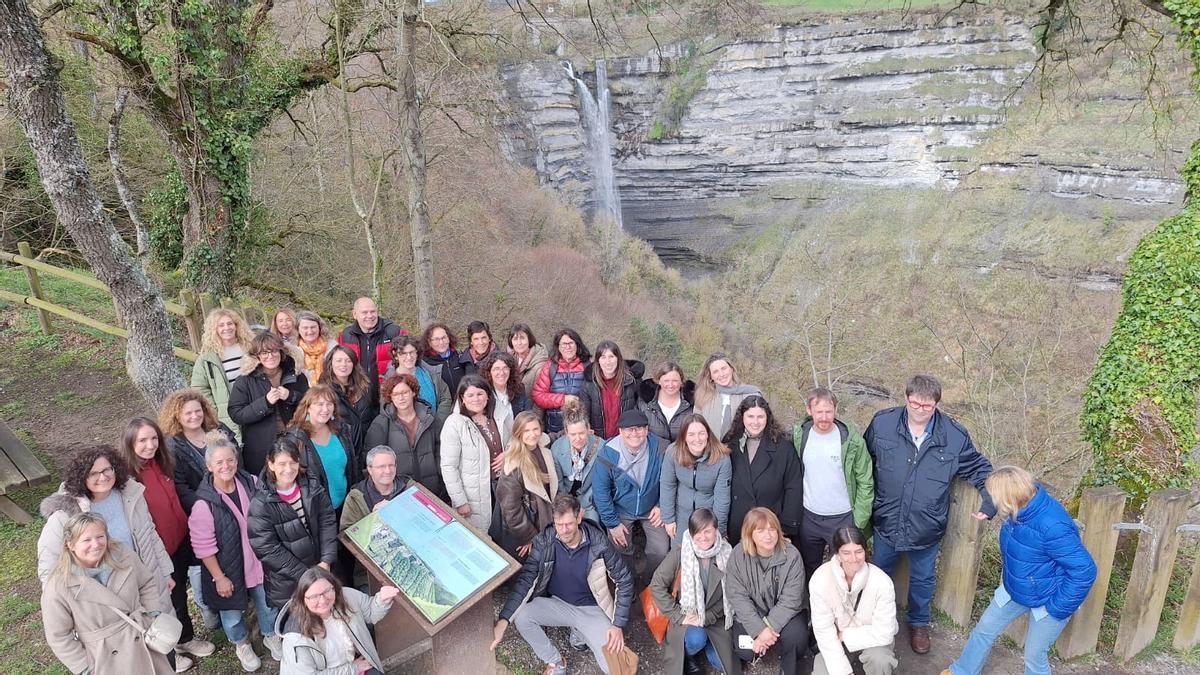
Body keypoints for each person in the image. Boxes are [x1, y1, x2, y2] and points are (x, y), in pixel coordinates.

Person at [865, 374, 996, 655]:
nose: (919, 410)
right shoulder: (882, 424)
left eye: (927, 406)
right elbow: (864, 462)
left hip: (927, 526)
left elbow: (979, 470)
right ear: (906, 398)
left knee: (923, 579)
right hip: (887, 520)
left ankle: (919, 623)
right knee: (878, 575)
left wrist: (990, 502)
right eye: (914, 403)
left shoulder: (954, 436)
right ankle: (876, 622)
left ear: (936, 404)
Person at [942, 467, 1096, 675]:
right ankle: (962, 671)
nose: (993, 501)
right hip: (1016, 587)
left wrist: (1056, 608)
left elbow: (1084, 571)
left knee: (1034, 656)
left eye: (996, 497)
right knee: (983, 630)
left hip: (1048, 595)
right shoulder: (1020, 510)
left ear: (1009, 499)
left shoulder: (1052, 525)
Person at [490, 494, 634, 675]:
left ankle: (580, 632)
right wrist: (504, 620)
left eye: (569, 524)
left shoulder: (599, 543)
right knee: (523, 617)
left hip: (590, 610)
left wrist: (617, 624)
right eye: (559, 525)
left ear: (579, 517)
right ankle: (555, 662)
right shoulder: (545, 541)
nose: (564, 530)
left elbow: (624, 580)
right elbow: (526, 581)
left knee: (617, 667)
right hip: (558, 603)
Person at [120, 417, 217, 671]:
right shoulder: (126, 478)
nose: (150, 445)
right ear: (130, 442)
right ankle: (174, 644)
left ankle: (184, 638)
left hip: (182, 536)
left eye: (154, 438)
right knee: (169, 599)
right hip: (159, 548)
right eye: (142, 440)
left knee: (183, 591)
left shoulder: (162, 463)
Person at [41, 512, 174, 675]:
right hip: (105, 659)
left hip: (143, 639)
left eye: (100, 536)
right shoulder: (59, 585)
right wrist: (84, 667)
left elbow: (146, 583)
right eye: (86, 540)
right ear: (71, 545)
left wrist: (152, 614)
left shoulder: (123, 555)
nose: (96, 544)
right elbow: (59, 636)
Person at [187, 434, 275, 671]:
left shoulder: (253, 483)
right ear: (209, 466)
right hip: (228, 569)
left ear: (237, 461)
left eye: (230, 460)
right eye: (219, 463)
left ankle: (270, 634)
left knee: (267, 603)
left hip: (257, 562)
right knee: (232, 614)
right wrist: (219, 577)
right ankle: (241, 643)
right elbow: (203, 547)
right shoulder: (203, 504)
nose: (226, 466)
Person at [37, 446, 173, 596]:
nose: (103, 477)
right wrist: (61, 602)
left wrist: (165, 573)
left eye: (107, 469)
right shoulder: (65, 514)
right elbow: (49, 563)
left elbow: (150, 535)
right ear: (81, 477)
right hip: (105, 595)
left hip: (147, 582)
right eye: (93, 473)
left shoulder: (131, 495)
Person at [247, 437, 339, 619]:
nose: (288, 469)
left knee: (328, 619)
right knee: (300, 626)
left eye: (292, 462)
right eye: (281, 464)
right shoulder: (261, 503)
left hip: (321, 567)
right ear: (271, 465)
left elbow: (327, 520)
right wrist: (307, 576)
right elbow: (267, 548)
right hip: (288, 582)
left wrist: (326, 560)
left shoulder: (312, 486)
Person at [793, 387, 875, 582]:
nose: (824, 417)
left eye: (828, 411)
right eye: (819, 412)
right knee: (810, 567)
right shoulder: (800, 436)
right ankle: (815, 607)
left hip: (843, 517)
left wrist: (859, 520)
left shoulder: (851, 440)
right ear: (809, 410)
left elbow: (865, 480)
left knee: (844, 568)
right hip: (809, 516)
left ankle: (846, 608)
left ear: (836, 410)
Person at [649, 508, 742, 675]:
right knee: (696, 639)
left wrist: (709, 617)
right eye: (697, 532)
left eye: (707, 531)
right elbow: (657, 585)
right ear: (691, 534)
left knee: (721, 664)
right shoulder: (680, 553)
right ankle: (688, 656)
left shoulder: (727, 553)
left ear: (716, 530)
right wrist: (679, 616)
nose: (703, 537)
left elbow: (732, 592)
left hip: (716, 617)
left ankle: (707, 644)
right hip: (688, 615)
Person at [725, 507, 808, 675]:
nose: (768, 536)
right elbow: (737, 596)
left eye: (772, 529)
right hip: (754, 611)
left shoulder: (792, 555)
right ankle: (764, 645)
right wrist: (759, 629)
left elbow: (791, 599)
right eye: (761, 530)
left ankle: (786, 666)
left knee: (796, 640)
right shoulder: (738, 555)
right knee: (744, 650)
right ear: (750, 534)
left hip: (786, 612)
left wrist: (767, 627)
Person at [591, 408, 669, 584]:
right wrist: (612, 523)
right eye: (629, 429)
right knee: (620, 546)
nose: (634, 433)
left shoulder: (661, 449)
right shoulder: (608, 454)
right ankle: (627, 583)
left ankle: (651, 583)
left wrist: (662, 505)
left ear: (647, 430)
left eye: (639, 428)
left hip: (652, 508)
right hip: (622, 508)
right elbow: (601, 491)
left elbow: (670, 481)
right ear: (620, 431)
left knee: (660, 550)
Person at [276, 566, 400, 674]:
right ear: (303, 599)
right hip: (350, 668)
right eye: (314, 597)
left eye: (326, 591)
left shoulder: (347, 596)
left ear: (334, 587)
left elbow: (371, 613)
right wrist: (354, 668)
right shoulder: (295, 638)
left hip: (355, 665)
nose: (323, 600)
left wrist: (383, 600)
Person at [810, 526, 898, 675]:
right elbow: (823, 630)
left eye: (858, 551)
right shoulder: (820, 579)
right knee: (822, 671)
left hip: (874, 640)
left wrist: (846, 635)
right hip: (837, 639)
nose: (854, 558)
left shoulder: (882, 582)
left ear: (865, 551)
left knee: (880, 660)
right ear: (837, 554)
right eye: (846, 553)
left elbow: (885, 632)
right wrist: (843, 672)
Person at [722, 395, 803, 541]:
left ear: (768, 417)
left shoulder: (783, 447)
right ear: (742, 417)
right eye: (750, 416)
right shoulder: (730, 444)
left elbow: (794, 487)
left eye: (760, 416)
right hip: (738, 525)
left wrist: (786, 527)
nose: (755, 422)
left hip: (771, 526)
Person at [440, 375, 512, 532]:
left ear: (487, 395)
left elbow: (515, 439)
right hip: (474, 495)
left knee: (504, 536)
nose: (476, 399)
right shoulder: (455, 423)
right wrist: (460, 501)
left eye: (480, 394)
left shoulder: (499, 415)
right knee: (480, 537)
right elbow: (448, 466)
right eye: (470, 395)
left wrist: (509, 453)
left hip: (503, 486)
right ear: (462, 399)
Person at [339, 445, 412, 588]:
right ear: (370, 470)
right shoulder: (356, 496)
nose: (388, 471)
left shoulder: (409, 487)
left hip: (410, 568)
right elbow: (346, 537)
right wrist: (374, 519)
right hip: (370, 574)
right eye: (381, 467)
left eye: (391, 465)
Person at [365, 373, 445, 500]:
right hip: (398, 493)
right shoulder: (381, 423)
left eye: (405, 392)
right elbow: (371, 460)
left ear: (413, 393)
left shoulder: (429, 419)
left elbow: (441, 452)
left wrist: (441, 480)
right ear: (390, 397)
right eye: (396, 394)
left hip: (432, 491)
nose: (401, 398)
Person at [159, 387, 239, 513]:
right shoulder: (172, 447)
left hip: (236, 493)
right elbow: (181, 487)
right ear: (177, 416)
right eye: (188, 413)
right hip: (206, 506)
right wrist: (207, 507)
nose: (195, 416)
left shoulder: (220, 429)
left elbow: (238, 461)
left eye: (198, 411)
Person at [284, 385, 359, 512]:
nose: (325, 409)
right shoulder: (295, 438)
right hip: (317, 511)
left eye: (329, 404)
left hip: (346, 505)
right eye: (319, 404)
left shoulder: (342, 431)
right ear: (308, 407)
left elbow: (352, 466)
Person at [661, 413, 732, 545]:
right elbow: (667, 485)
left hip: (708, 517)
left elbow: (722, 499)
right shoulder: (673, 452)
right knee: (681, 556)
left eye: (701, 433)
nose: (697, 439)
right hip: (682, 514)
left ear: (708, 435)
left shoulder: (722, 458)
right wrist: (668, 519)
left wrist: (719, 530)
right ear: (684, 437)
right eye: (691, 434)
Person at [496, 411, 558, 559]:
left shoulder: (542, 447)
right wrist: (529, 537)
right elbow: (511, 510)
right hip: (529, 527)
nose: (532, 434)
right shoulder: (513, 465)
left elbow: (553, 436)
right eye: (526, 431)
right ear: (518, 433)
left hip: (545, 519)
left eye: (535, 429)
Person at [191, 308, 254, 439]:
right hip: (227, 412)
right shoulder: (207, 358)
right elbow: (199, 389)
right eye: (221, 325)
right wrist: (214, 410)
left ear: (237, 325)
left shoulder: (251, 348)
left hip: (254, 405)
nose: (227, 328)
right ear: (214, 329)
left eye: (230, 323)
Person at [338, 297, 403, 409]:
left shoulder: (395, 332)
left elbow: (411, 357)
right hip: (357, 398)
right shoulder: (345, 336)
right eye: (364, 312)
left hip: (390, 397)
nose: (370, 316)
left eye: (373, 311)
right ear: (355, 314)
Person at [550, 400, 604, 522]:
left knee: (593, 522)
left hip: (590, 498)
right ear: (566, 432)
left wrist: (585, 505)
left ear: (588, 429)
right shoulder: (557, 449)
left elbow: (601, 483)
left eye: (581, 433)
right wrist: (569, 507)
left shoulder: (601, 447)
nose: (578, 439)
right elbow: (558, 484)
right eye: (573, 434)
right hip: (566, 497)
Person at [580, 340, 645, 440]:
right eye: (603, 357)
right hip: (599, 440)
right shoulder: (589, 384)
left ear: (618, 359)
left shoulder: (632, 381)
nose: (608, 361)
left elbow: (641, 409)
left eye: (611, 357)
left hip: (627, 439)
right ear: (598, 361)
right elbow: (584, 413)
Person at [532, 328, 591, 433]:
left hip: (581, 428)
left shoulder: (587, 366)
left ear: (577, 345)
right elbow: (538, 395)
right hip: (555, 428)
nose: (567, 347)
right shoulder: (550, 367)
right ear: (558, 346)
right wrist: (563, 399)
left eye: (571, 343)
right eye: (563, 344)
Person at [384, 334, 452, 424]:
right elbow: (387, 409)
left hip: (435, 427)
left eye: (412, 352)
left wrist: (438, 422)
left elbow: (445, 397)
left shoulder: (429, 372)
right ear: (395, 355)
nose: (409, 357)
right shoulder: (390, 380)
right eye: (403, 353)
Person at [318, 346, 374, 454]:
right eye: (339, 361)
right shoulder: (324, 391)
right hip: (340, 448)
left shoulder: (365, 386)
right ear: (331, 363)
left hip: (365, 447)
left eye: (348, 361)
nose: (343, 365)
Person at [693, 353, 761, 439]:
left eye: (723, 368)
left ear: (731, 369)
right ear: (711, 377)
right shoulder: (703, 396)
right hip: (711, 449)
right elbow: (695, 426)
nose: (721, 374)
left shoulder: (751, 394)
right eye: (715, 371)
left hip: (742, 449)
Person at [640, 362, 695, 444]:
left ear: (681, 382)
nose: (670, 385)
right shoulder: (645, 403)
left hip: (683, 452)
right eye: (666, 380)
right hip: (654, 452)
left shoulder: (692, 404)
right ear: (658, 381)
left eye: (675, 381)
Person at [508, 323, 548, 418]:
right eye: (515, 339)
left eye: (522, 338)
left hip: (531, 414)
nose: (519, 343)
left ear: (529, 339)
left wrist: (535, 421)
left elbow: (539, 400)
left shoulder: (540, 364)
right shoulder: (508, 359)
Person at [481, 349, 532, 423]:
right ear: (489, 372)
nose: (501, 373)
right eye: (496, 369)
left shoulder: (519, 389)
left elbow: (527, 417)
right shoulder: (483, 393)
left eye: (505, 368)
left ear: (511, 370)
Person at [422, 321, 466, 394]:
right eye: (436, 339)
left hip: (462, 402)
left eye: (444, 338)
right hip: (442, 404)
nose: (441, 342)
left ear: (449, 338)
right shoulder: (425, 363)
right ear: (429, 342)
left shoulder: (460, 356)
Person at [295, 310, 336, 385]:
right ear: (298, 329)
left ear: (319, 327)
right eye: (305, 328)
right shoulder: (293, 351)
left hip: (330, 390)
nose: (310, 331)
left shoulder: (332, 347)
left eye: (313, 327)